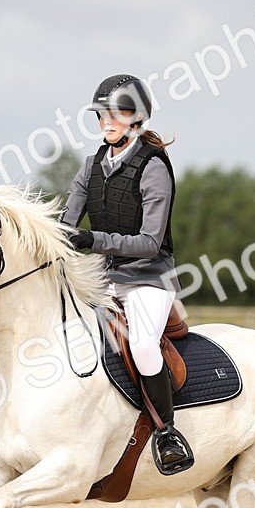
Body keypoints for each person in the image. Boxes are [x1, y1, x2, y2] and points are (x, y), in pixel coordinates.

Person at [59, 74, 194, 476]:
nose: (105, 121)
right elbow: (66, 224)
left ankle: (167, 432)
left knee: (142, 344)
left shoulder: (154, 168)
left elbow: (150, 241)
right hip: (102, 279)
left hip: (148, 277)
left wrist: (93, 239)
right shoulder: (91, 166)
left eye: (115, 113)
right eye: (101, 114)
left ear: (137, 119)